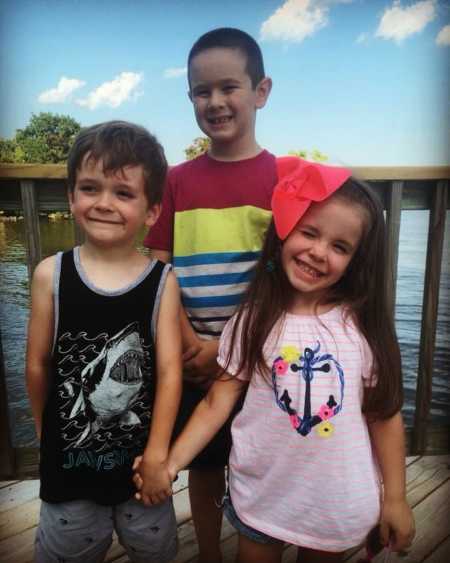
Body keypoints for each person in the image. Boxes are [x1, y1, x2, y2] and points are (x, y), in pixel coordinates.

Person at [142, 156, 416, 562]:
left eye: (340, 246)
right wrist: (170, 462)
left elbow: (384, 415)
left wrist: (395, 498)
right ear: (283, 232)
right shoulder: (254, 318)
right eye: (309, 232)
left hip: (334, 500)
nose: (318, 252)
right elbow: (218, 402)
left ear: (357, 260)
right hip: (263, 494)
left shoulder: (363, 329)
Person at [143, 27, 275, 563]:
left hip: (259, 357)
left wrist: (235, 348)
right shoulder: (176, 180)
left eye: (229, 87)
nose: (215, 102)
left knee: (260, 458)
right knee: (203, 463)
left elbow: (282, 279)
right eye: (202, 91)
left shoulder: (281, 179)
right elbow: (158, 270)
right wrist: (187, 343)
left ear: (260, 91)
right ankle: (207, 552)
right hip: (194, 357)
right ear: (190, 98)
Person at [26, 121, 182, 563]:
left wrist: (157, 455)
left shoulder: (163, 283)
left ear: (152, 210)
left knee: (155, 551)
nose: (104, 203)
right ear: (72, 196)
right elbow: (37, 365)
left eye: (123, 193)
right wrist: (46, 434)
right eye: (90, 188)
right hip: (69, 476)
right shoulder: (49, 276)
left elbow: (170, 373)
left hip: (141, 474)